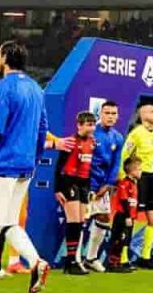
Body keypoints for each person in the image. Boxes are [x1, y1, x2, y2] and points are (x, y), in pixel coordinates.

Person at [0, 40, 59, 293]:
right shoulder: (35, 88)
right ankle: (35, 261)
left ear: (5, 58)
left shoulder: (3, 86)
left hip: (1, 164)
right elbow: (43, 128)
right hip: (25, 165)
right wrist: (34, 158)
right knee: (8, 221)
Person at [83, 101, 124, 273]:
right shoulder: (92, 134)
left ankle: (91, 258)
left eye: (114, 113)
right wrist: (90, 185)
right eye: (107, 113)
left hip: (103, 185)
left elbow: (115, 164)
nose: (110, 117)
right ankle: (75, 259)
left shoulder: (118, 137)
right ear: (100, 114)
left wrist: (107, 185)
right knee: (80, 220)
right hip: (86, 184)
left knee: (104, 218)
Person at [54, 111, 97, 275]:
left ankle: (73, 261)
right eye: (88, 124)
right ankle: (70, 261)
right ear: (79, 125)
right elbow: (59, 166)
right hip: (68, 182)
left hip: (83, 183)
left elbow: (88, 167)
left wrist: (90, 188)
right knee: (73, 221)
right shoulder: (70, 142)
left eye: (93, 124)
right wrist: (57, 189)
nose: (91, 127)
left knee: (80, 222)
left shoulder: (92, 142)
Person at [123, 101, 153, 269]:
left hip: (150, 177)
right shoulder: (136, 133)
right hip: (138, 178)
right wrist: (125, 178)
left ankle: (145, 257)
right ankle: (123, 258)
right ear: (143, 115)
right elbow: (125, 154)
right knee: (130, 217)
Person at [106, 156, 141, 274]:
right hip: (122, 216)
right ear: (132, 170)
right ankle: (112, 263)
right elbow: (123, 200)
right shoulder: (124, 183)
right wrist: (127, 216)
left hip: (130, 217)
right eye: (139, 169)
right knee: (118, 239)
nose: (141, 171)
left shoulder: (134, 183)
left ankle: (118, 262)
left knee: (125, 240)